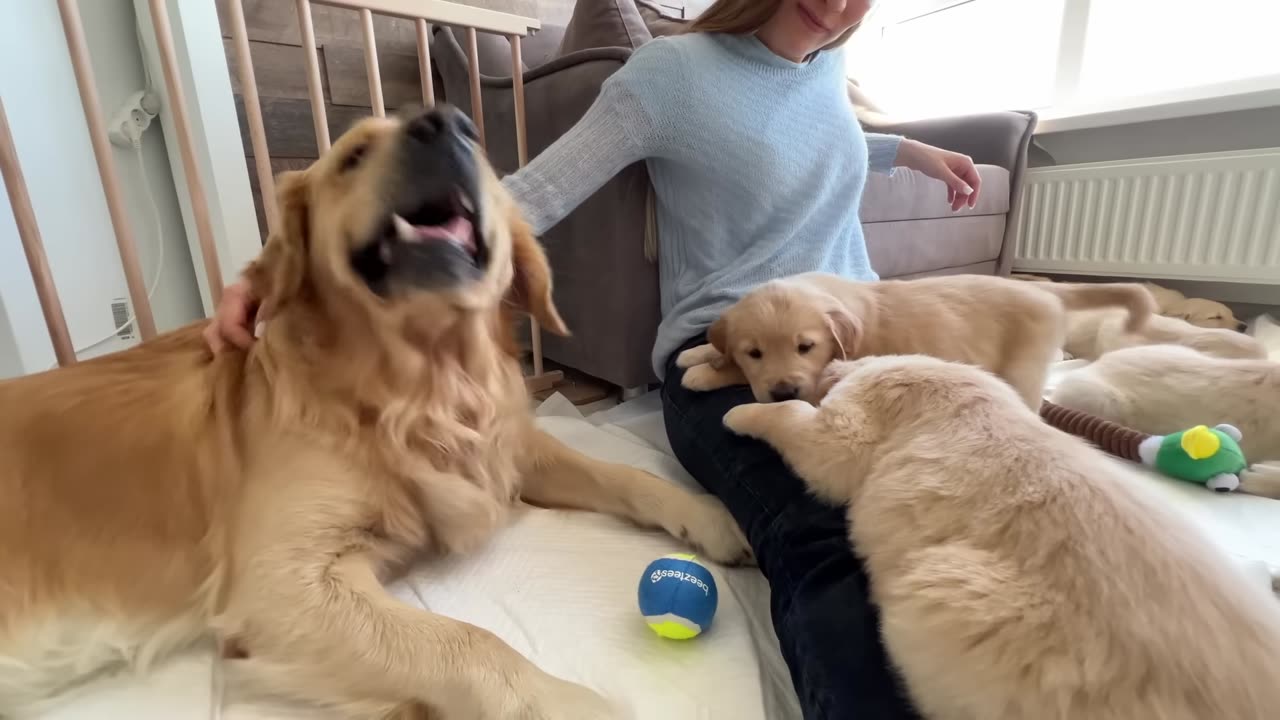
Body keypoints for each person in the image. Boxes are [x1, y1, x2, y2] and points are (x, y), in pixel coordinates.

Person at [206, 1, 981, 717]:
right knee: (826, 531)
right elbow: (529, 195)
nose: (839, 5)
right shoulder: (672, 75)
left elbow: (808, 134)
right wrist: (275, 271)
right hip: (729, 352)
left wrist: (909, 151)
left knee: (969, 493)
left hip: (857, 336)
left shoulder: (827, 71)